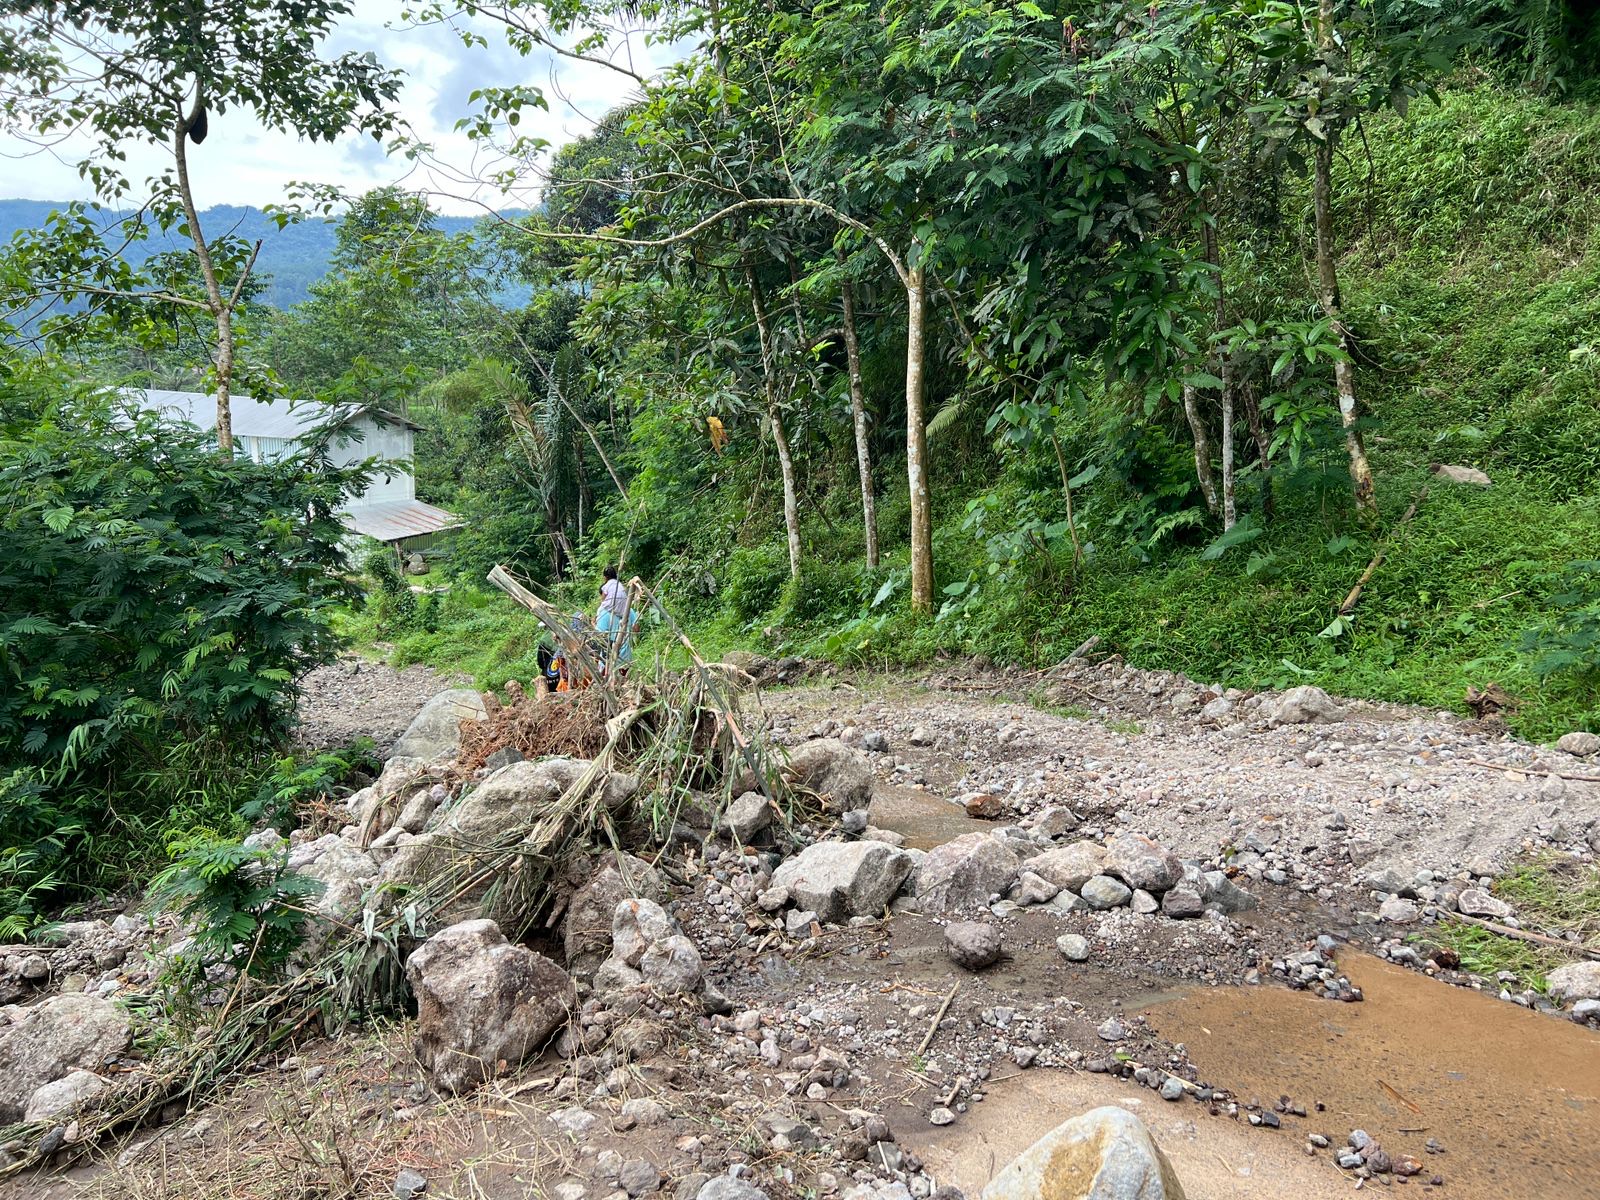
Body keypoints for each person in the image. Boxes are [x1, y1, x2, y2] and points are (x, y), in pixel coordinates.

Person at [595, 565, 639, 673]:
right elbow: (636, 629)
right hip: (624, 661)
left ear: (605, 577)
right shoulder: (628, 610)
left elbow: (599, 638)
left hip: (608, 664)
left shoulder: (602, 612)